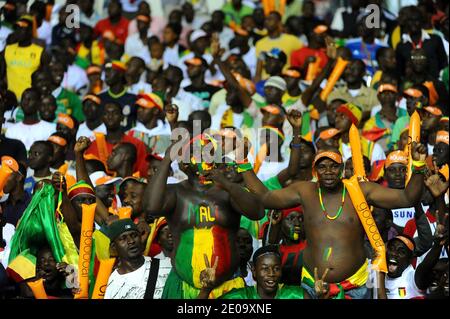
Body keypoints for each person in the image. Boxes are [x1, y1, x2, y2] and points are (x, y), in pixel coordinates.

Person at [242, 142, 432, 299]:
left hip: (354, 286)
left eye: (333, 166)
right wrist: (242, 161)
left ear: (341, 168)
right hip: (311, 285)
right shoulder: (305, 191)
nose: (329, 171)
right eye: (322, 167)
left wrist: (418, 166)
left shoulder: (359, 190)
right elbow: (265, 197)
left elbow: (407, 198)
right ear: (315, 171)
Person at [143, 135, 265, 299]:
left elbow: (258, 212)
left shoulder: (227, 192)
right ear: (185, 164)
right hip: (183, 289)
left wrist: (228, 184)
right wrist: (167, 159)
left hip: (229, 289)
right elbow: (151, 207)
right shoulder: (176, 193)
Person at [200, 245, 315, 299]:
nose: (271, 273)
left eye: (276, 268)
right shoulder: (239, 297)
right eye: (265, 268)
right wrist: (206, 290)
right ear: (254, 271)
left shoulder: (297, 295)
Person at [84, 101, 149, 178]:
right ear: (101, 118)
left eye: (115, 113)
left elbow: (143, 173)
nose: (110, 116)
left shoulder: (137, 144)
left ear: (122, 117)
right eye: (106, 113)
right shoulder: (92, 146)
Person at [104, 218, 158, 299]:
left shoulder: (165, 265)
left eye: (134, 235)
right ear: (114, 247)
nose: (131, 241)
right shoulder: (111, 285)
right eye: (123, 238)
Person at [0, 15, 49, 101]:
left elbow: (46, 78)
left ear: (30, 31)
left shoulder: (40, 52)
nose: (18, 31)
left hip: (30, 101)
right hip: (11, 100)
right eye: (17, 28)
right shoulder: (7, 50)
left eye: (22, 28)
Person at [395, 6, 447, 79]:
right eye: (410, 20)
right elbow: (400, 71)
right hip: (411, 87)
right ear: (406, 22)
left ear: (422, 21)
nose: (413, 23)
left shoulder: (435, 40)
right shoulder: (401, 46)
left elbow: (443, 63)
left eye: (416, 20)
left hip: (433, 85)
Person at [254, 11, 302, 81]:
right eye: (266, 19)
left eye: (270, 19)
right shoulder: (260, 43)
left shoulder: (292, 40)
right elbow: (259, 68)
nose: (266, 21)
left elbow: (301, 56)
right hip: (266, 81)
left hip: (286, 79)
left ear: (279, 23)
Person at [98, 61, 137, 131]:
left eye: (110, 71)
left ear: (120, 74)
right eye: (106, 72)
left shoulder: (133, 99)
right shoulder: (100, 98)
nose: (106, 75)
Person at [363, 84, 403, 152]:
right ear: (378, 97)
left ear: (396, 96)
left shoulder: (405, 114)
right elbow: (366, 145)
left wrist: (396, 120)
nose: (387, 95)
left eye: (390, 92)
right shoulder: (371, 123)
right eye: (383, 93)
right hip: (380, 159)